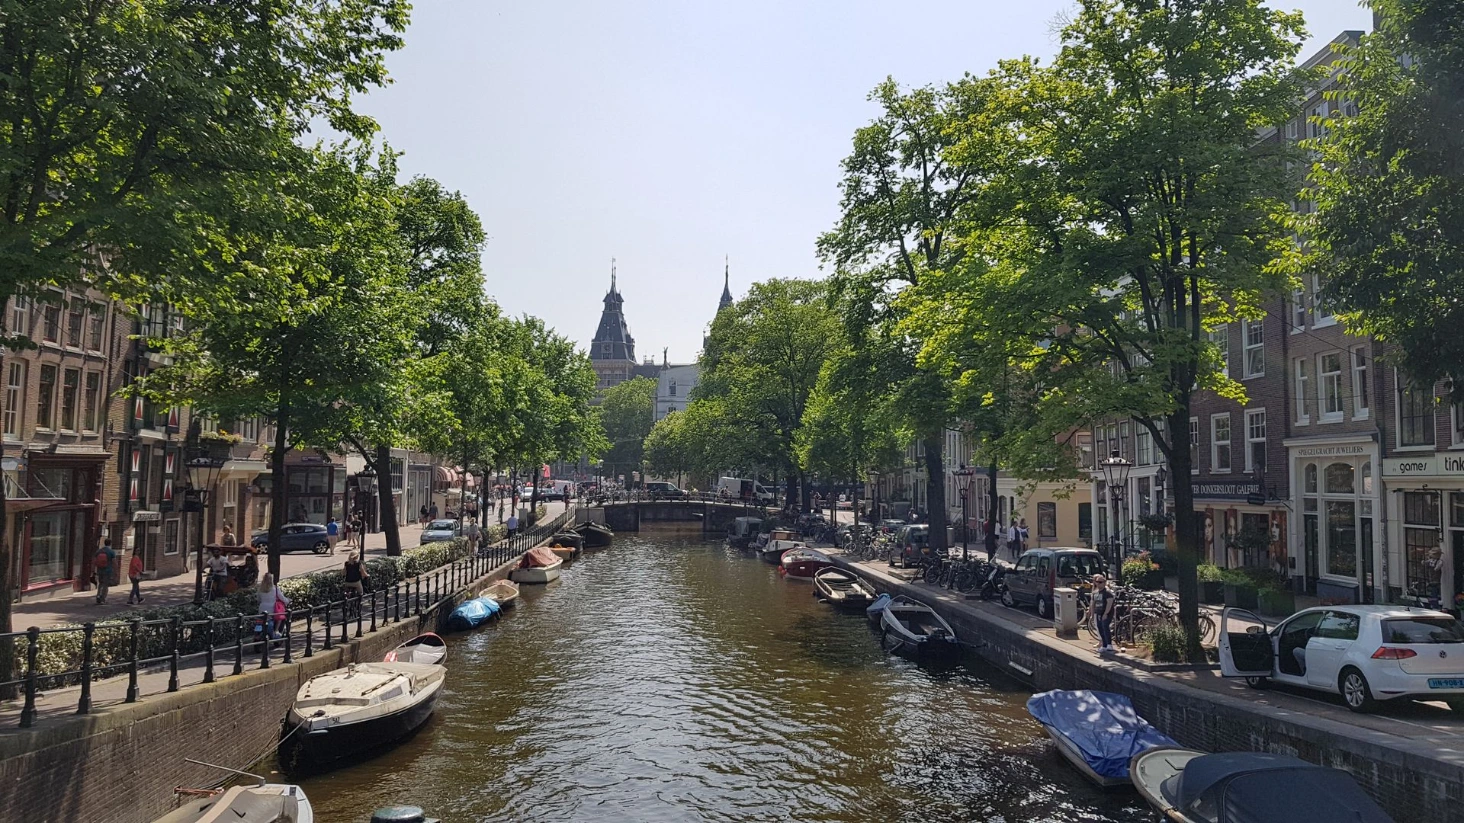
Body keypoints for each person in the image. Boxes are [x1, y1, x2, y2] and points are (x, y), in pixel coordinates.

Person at [256, 573, 290, 640]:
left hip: (262, 608)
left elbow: (258, 599)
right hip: (272, 609)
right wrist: (288, 601)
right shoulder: (275, 589)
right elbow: (282, 598)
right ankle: (276, 631)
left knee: (260, 620)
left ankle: (257, 634)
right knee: (279, 617)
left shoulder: (260, 589)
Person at [1091, 573, 1117, 653]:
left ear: (1104, 583)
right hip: (1098, 612)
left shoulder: (1107, 592)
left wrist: (1106, 613)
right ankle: (1104, 645)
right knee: (1100, 628)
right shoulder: (1095, 593)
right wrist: (1092, 614)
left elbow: (1109, 603)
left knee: (1105, 627)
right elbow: (1093, 604)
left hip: (1106, 613)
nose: (1098, 584)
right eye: (1097, 582)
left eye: (1100, 582)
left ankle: (1109, 644)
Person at [93, 538, 117, 605]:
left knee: (100, 584)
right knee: (105, 585)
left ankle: (98, 596)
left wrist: (93, 570)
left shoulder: (99, 551)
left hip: (100, 570)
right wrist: (115, 571)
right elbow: (114, 562)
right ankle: (103, 599)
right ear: (110, 543)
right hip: (108, 570)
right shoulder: (111, 552)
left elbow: (94, 561)